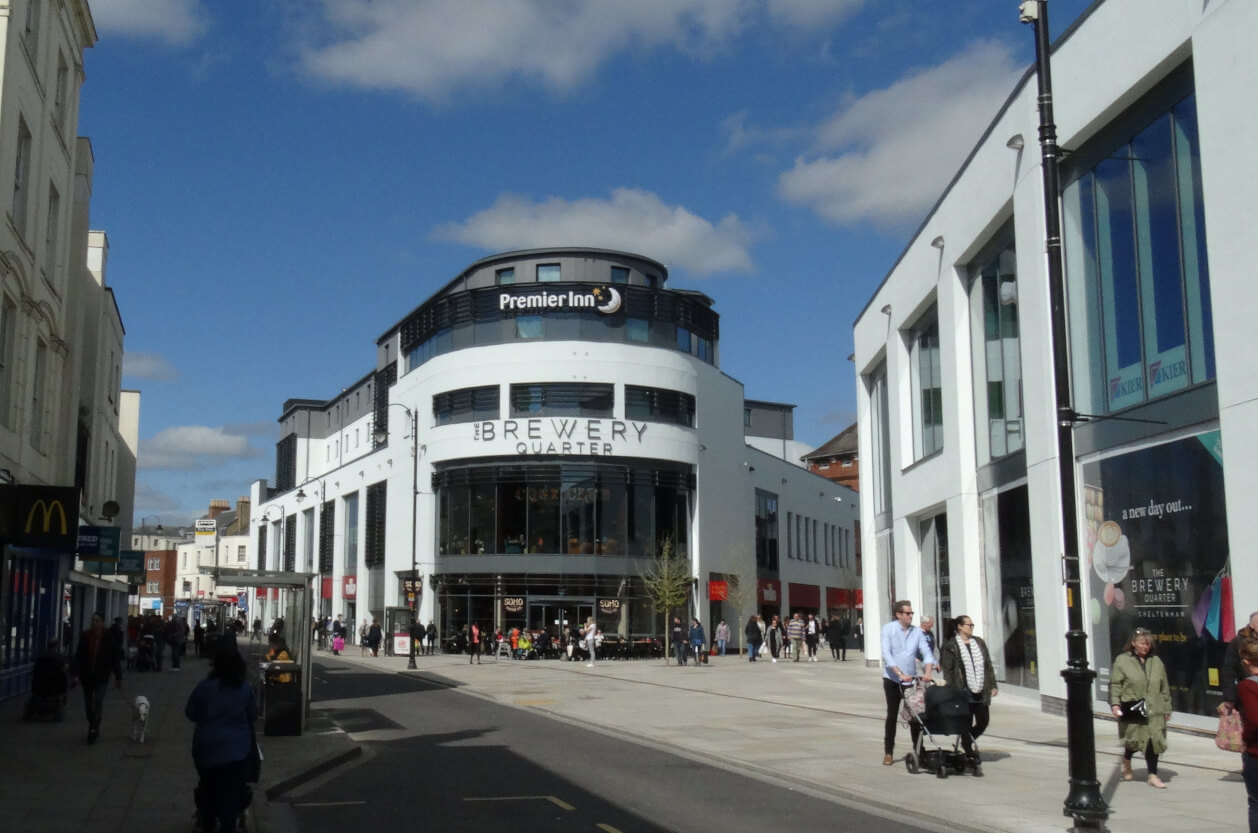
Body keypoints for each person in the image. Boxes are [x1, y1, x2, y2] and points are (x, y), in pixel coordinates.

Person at [185, 643, 257, 833]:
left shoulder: (205, 687)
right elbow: (253, 716)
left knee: (208, 784)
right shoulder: (245, 689)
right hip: (236, 750)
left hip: (206, 747)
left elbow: (190, 712)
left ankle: (207, 818)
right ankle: (228, 821)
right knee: (231, 788)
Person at [1109, 627, 1171, 788]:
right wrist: (1115, 704)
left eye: (1148, 644)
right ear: (1133, 643)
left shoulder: (1156, 662)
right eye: (1142, 644)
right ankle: (1127, 759)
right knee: (1133, 741)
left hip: (1154, 708)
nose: (1145, 647)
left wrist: (1167, 708)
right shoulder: (1123, 661)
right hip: (1133, 706)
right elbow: (1115, 684)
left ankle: (1153, 775)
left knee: (1153, 740)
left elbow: (1164, 687)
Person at [940, 615, 998, 774]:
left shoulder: (979, 643)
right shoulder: (951, 646)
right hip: (963, 691)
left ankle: (966, 741)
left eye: (972, 625)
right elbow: (948, 670)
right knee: (965, 722)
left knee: (983, 721)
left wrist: (993, 685)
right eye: (968, 625)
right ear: (959, 627)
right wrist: (953, 689)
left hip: (980, 689)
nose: (971, 627)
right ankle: (969, 749)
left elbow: (987, 666)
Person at [880, 600, 935, 766]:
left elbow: (926, 652)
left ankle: (919, 749)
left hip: (911, 680)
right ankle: (888, 751)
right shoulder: (888, 629)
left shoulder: (916, 632)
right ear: (899, 615)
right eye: (908, 613)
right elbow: (886, 654)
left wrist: (928, 671)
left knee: (915, 715)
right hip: (892, 679)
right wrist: (899, 673)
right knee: (892, 715)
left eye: (912, 613)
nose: (911, 616)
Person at [72, 612, 123, 744]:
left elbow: (114, 658)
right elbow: (79, 655)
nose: (94, 623)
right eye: (93, 620)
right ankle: (93, 723)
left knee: (98, 702)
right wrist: (75, 674)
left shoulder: (109, 637)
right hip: (87, 675)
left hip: (102, 675)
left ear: (102, 623)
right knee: (88, 705)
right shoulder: (85, 636)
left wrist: (118, 677)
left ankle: (93, 728)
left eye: (97, 621)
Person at [1235, 639, 1258, 833]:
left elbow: (1254, 720)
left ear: (1246, 661)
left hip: (1256, 751)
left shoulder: (1247, 686)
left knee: (1256, 803)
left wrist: (1246, 740)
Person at [1221, 612, 1258, 717]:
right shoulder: (1238, 642)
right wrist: (1230, 698)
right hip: (1250, 693)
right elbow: (1228, 671)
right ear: (1251, 625)